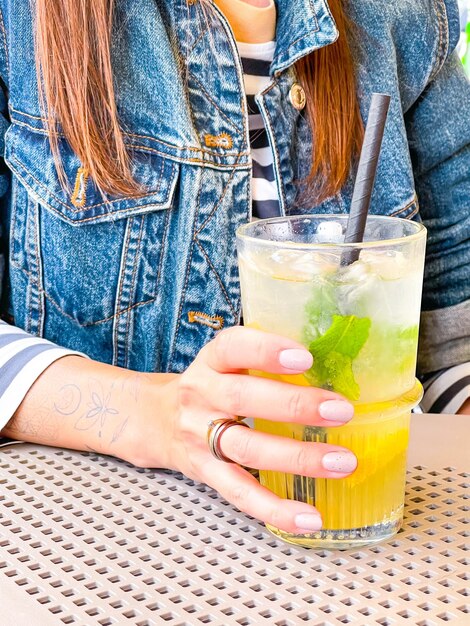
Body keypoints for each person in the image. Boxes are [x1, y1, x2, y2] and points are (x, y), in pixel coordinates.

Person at [0, 0, 468, 534]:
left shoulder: (402, 18)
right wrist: (153, 415)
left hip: (363, 535)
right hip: (90, 533)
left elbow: (450, 350)